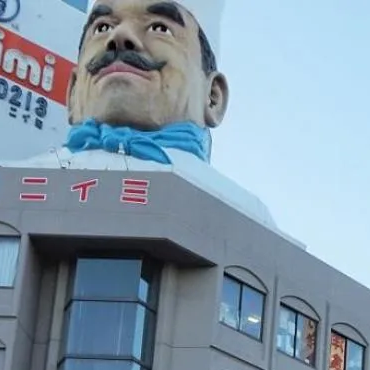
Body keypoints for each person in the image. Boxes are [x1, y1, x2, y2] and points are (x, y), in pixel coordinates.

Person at [33, 0, 277, 228]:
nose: (120, 37)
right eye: (103, 27)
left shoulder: (243, 215)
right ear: (73, 91)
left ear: (213, 96)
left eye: (160, 28)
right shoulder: (18, 180)